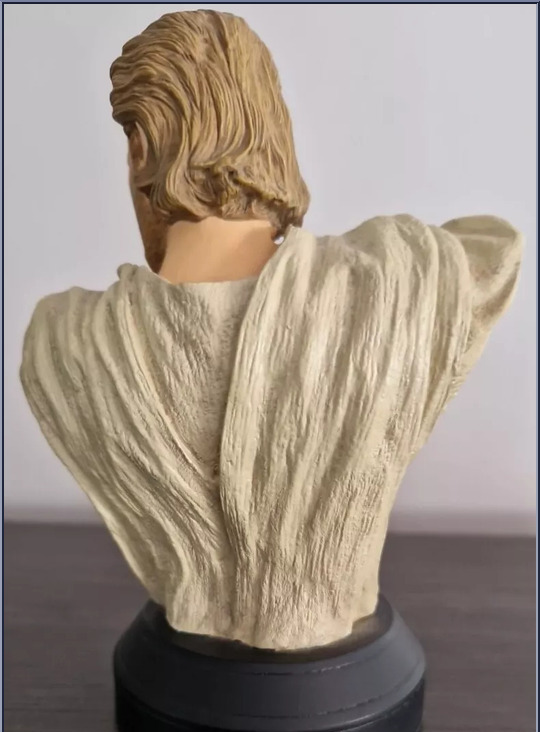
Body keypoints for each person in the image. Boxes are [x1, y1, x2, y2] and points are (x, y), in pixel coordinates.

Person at [20, 10, 523, 650]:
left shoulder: (65, 344)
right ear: (273, 135)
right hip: (349, 672)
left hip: (182, 680)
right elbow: (494, 258)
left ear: (141, 148)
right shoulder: (411, 277)